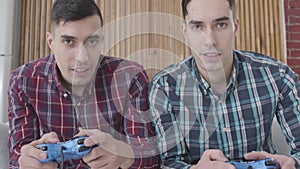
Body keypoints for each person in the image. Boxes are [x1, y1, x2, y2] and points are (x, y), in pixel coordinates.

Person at [7, 0, 159, 168]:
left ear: (101, 40)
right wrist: (28, 161)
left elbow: (151, 157)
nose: (82, 57)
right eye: (68, 41)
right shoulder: (24, 80)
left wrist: (124, 155)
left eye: (92, 41)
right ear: (51, 42)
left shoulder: (130, 76)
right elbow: (17, 155)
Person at [149, 0, 300, 168]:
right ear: (185, 31)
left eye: (220, 25)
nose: (210, 41)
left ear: (235, 26)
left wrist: (293, 163)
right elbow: (169, 162)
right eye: (197, 27)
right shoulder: (164, 87)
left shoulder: (278, 76)